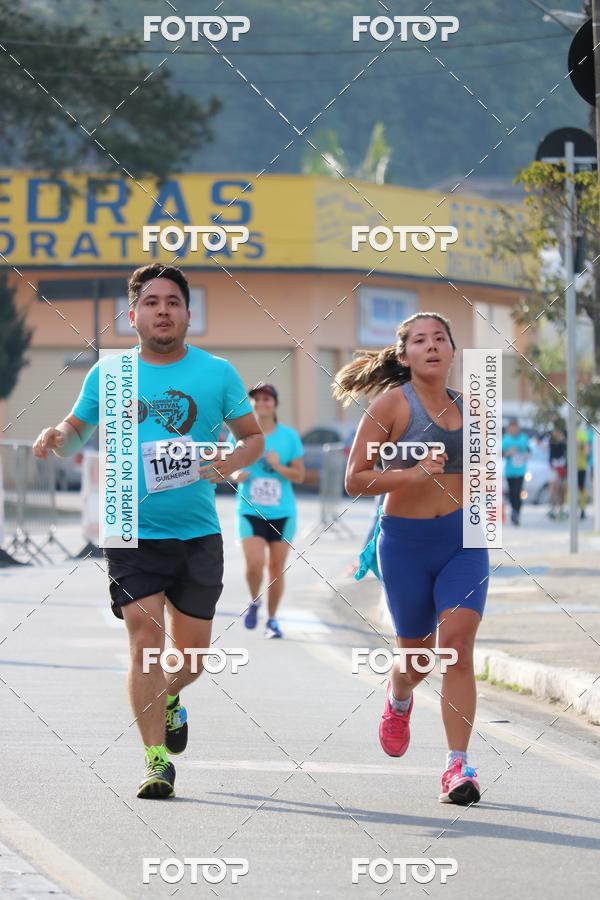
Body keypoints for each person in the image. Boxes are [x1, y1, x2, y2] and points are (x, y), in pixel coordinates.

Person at [32, 265, 264, 800]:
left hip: (197, 530)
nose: (163, 310)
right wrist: (55, 436)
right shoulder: (110, 376)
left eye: (173, 302)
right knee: (144, 642)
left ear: (187, 314)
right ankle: (156, 761)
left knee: (194, 659)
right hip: (130, 525)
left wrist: (231, 462)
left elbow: (252, 438)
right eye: (152, 302)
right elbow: (74, 431)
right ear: (133, 315)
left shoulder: (218, 373)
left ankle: (172, 699)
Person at [334, 312, 488, 806]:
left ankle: (457, 766)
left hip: (463, 542)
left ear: (452, 350)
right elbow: (354, 479)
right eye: (419, 340)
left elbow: (482, 478)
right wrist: (413, 476)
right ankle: (399, 697)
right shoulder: (391, 405)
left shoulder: (473, 407)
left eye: (440, 337)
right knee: (419, 659)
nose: (432, 346)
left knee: (458, 649)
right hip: (405, 545)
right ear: (404, 356)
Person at [231, 384, 305, 638]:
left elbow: (299, 475)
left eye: (267, 399)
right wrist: (236, 474)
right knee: (255, 564)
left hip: (282, 513)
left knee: (276, 567)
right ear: (250, 404)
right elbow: (229, 466)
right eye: (256, 399)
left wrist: (278, 466)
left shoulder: (289, 436)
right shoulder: (241, 435)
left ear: (275, 404)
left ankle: (272, 620)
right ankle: (254, 600)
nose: (262, 403)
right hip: (250, 511)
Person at [502, 418, 530, 525]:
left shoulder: (523, 438)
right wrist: (508, 453)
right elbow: (501, 453)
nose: (513, 430)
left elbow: (528, 450)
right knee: (512, 493)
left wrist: (526, 454)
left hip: (520, 471)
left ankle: (517, 513)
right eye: (511, 428)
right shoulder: (506, 440)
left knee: (518, 493)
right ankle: (513, 511)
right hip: (510, 471)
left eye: (514, 427)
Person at [548, 422, 567, 520]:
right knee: (554, 486)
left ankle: (561, 508)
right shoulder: (552, 439)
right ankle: (552, 507)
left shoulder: (565, 438)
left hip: (563, 466)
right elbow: (551, 455)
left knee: (562, 488)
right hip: (554, 466)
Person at [576, 425, 590, 520]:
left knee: (581, 489)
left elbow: (586, 451)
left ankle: (582, 509)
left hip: (581, 466)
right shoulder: (569, 433)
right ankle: (572, 509)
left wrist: (580, 445)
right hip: (571, 467)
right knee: (571, 489)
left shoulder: (582, 434)